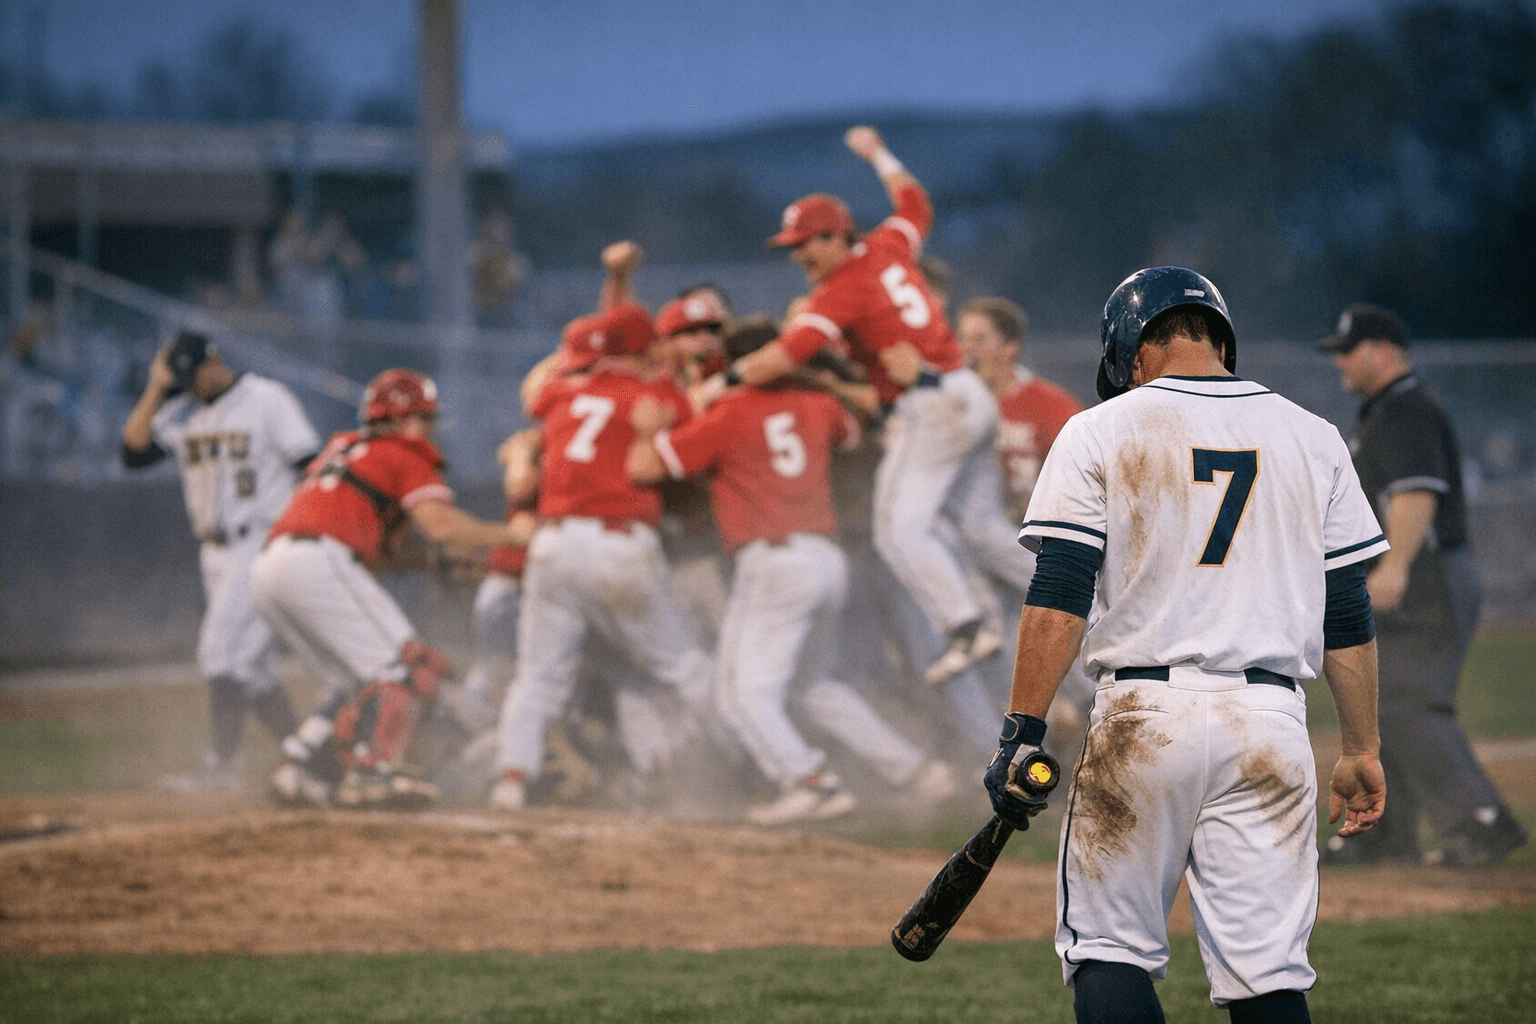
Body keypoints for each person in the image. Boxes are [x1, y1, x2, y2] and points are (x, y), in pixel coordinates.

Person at [987, 266, 1389, 1022]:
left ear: (1134, 351)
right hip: (1270, 724)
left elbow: (1060, 595)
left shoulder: (1100, 428)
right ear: (1219, 341)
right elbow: (1347, 608)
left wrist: (1023, 729)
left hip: (1144, 719)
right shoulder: (1315, 435)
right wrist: (1362, 747)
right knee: (1268, 975)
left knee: (1109, 950)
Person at [728, 124, 1035, 687]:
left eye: (805, 244)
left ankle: (967, 629)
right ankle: (1079, 600)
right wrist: (878, 154)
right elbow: (915, 201)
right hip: (967, 393)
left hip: (930, 403)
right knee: (979, 526)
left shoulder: (840, 288)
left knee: (897, 532)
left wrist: (728, 375)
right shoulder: (890, 243)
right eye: (791, 247)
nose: (798, 255)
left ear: (834, 236)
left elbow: (782, 356)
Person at [627, 316, 959, 825]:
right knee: (812, 688)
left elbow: (648, 468)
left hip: (774, 561)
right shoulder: (818, 404)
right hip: (826, 559)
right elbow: (854, 434)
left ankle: (810, 783)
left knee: (739, 693)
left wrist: (650, 432)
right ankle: (920, 772)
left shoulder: (729, 410)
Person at [254, 367, 532, 809]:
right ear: (408, 419)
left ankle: (297, 768)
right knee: (406, 669)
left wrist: (437, 563)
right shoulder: (403, 452)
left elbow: (381, 555)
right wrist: (512, 535)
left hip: (270, 568)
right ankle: (373, 772)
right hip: (319, 563)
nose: (431, 430)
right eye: (426, 419)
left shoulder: (344, 448)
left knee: (355, 682)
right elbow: (439, 525)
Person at [1317, 303, 1528, 867]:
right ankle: (1386, 835)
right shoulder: (1385, 409)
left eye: (1347, 350)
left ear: (1381, 351)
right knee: (1384, 706)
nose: (1339, 362)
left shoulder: (1406, 408)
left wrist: (1395, 568)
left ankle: (1481, 822)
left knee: (1410, 700)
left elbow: (1417, 492)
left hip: (1426, 577)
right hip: (1418, 576)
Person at [487, 299, 716, 812]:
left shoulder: (558, 393)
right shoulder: (654, 393)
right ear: (645, 348)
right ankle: (749, 763)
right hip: (619, 543)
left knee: (539, 676)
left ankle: (511, 782)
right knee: (686, 666)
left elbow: (540, 387)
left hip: (552, 545)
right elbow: (691, 415)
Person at [121, 330, 321, 792]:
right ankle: (313, 759)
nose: (194, 386)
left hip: (261, 541)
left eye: (197, 375)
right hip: (213, 551)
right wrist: (155, 387)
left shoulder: (267, 398)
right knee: (251, 671)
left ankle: (222, 769)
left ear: (215, 361)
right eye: (183, 379)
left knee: (218, 651)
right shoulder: (180, 411)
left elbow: (308, 463)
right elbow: (132, 454)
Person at [956, 296, 1094, 763]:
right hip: (982, 547)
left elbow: (1089, 475)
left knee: (1066, 631)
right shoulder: (957, 404)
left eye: (980, 339)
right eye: (963, 337)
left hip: (1042, 544)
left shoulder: (1048, 404)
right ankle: (1046, 735)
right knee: (998, 645)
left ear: (1009, 348)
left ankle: (1087, 722)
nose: (967, 349)